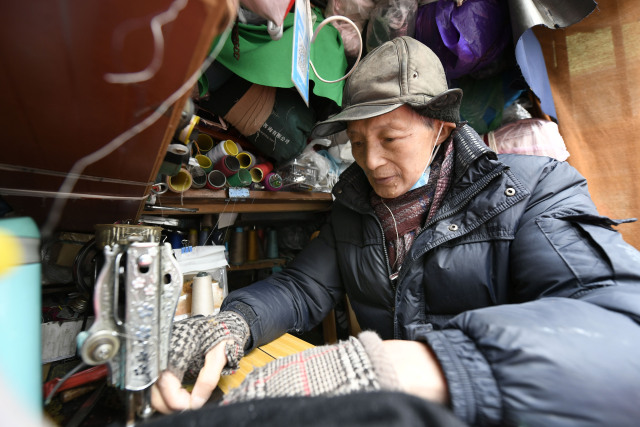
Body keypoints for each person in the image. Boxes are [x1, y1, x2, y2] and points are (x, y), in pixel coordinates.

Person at [151, 36, 640, 425]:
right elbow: (302, 288)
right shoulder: (355, 208)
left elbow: (620, 327)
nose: (371, 161)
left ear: (441, 129)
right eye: (359, 143)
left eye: (390, 138)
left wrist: (425, 367)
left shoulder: (532, 190)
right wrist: (233, 322)